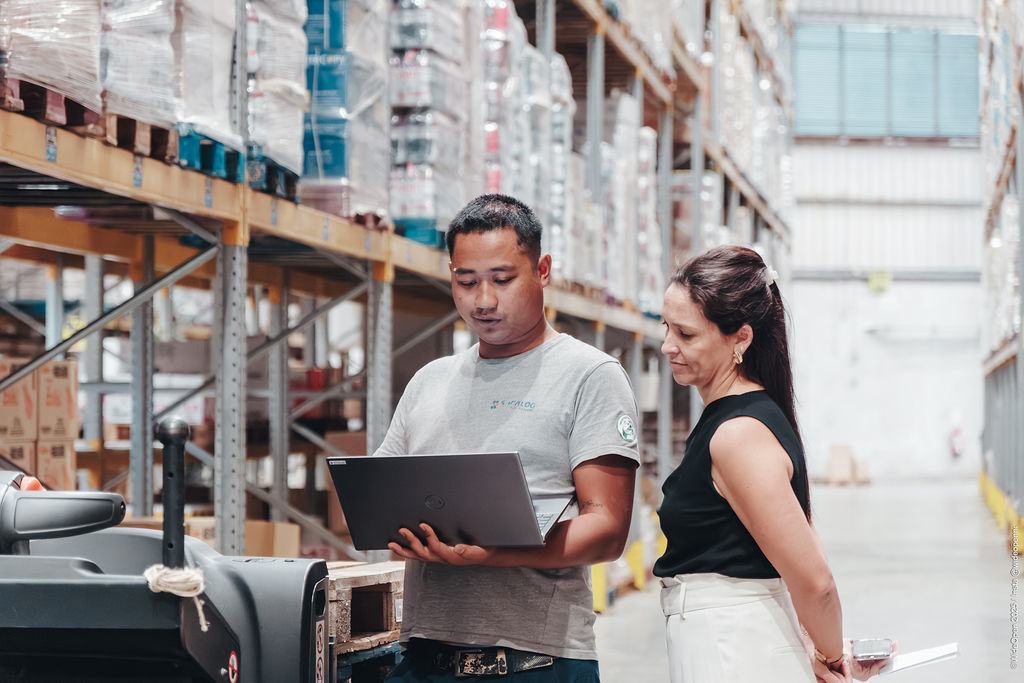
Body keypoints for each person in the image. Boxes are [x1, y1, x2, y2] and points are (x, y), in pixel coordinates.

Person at [376, 193, 641, 682]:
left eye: (502, 279)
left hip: (535, 662)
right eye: (466, 281)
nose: (483, 300)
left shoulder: (589, 376)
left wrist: (494, 553)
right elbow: (381, 504)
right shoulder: (429, 381)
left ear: (542, 270)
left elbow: (607, 529)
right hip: (423, 657)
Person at [654, 245, 891, 683]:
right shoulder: (738, 420)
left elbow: (815, 581)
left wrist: (831, 657)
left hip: (733, 650)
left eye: (686, 334)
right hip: (728, 645)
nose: (668, 345)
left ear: (740, 338)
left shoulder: (738, 435)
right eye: (666, 327)